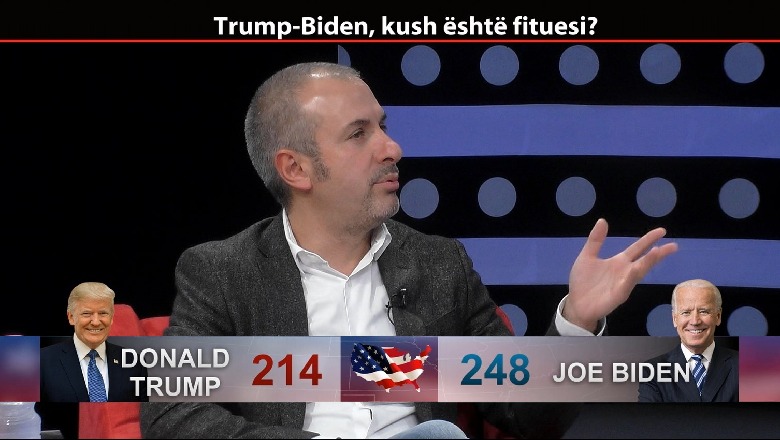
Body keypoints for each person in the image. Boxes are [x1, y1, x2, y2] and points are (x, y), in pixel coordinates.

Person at [139, 61, 678, 439]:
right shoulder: (222, 271)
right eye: (358, 134)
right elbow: (175, 416)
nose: (392, 148)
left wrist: (578, 321)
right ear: (296, 168)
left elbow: (525, 415)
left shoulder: (440, 264)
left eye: (384, 126)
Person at [38, 281, 148, 402]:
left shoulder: (134, 362)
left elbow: (145, 411)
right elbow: (23, 412)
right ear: (71, 317)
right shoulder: (39, 362)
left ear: (111, 318)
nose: (96, 322)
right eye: (87, 314)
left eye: (103, 313)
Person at [638, 279, 739, 402]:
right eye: (686, 312)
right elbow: (648, 415)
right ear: (674, 319)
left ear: (718, 316)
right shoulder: (652, 371)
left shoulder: (745, 366)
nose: (695, 321)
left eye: (703, 311)